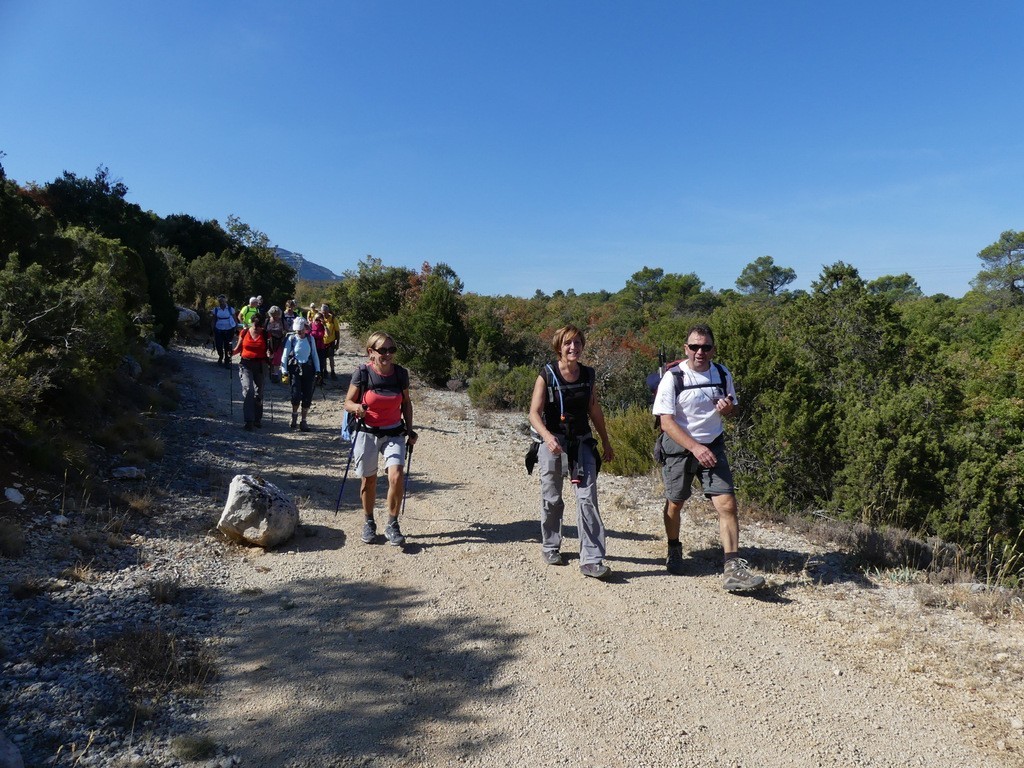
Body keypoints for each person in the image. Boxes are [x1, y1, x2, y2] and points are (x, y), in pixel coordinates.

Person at [652, 323, 764, 591]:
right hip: (679, 447)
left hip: (713, 445)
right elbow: (666, 422)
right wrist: (694, 447)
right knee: (675, 503)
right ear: (686, 348)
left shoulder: (722, 373)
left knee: (727, 505)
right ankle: (674, 548)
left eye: (705, 347)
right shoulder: (673, 377)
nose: (699, 352)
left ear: (713, 349)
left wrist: (728, 410)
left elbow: (733, 409)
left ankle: (733, 567)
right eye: (694, 346)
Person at [528, 325, 614, 579]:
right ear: (559, 346)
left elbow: (594, 409)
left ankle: (591, 559)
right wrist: (547, 437)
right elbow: (534, 412)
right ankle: (551, 545)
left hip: (582, 443)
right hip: (553, 443)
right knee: (552, 498)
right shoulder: (548, 374)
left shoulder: (588, 375)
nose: (573, 347)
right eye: (567, 343)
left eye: (577, 342)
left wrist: (606, 442)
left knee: (587, 498)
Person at [343, 332, 417, 547]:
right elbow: (347, 402)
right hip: (366, 432)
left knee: (396, 475)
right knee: (369, 480)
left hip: (394, 432)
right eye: (382, 350)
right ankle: (369, 521)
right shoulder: (363, 373)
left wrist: (410, 430)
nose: (387, 354)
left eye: (391, 350)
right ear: (371, 352)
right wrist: (357, 408)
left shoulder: (401, 374)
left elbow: (406, 404)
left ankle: (392, 524)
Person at [231, 313, 271, 430]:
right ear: (252, 322)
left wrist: (270, 354)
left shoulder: (265, 334)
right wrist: (231, 352)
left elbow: (270, 350)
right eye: (255, 325)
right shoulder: (244, 332)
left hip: (261, 365)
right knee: (248, 390)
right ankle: (249, 420)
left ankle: (257, 418)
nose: (257, 327)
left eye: (259, 325)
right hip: (246, 363)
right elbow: (238, 348)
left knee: (259, 392)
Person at [280, 317, 320, 431]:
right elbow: (285, 355)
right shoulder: (291, 339)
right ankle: (294, 417)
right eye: (298, 330)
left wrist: (318, 371)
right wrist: (284, 372)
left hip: (308, 369)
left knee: (307, 395)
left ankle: (303, 421)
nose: (299, 332)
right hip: (295, 369)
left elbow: (314, 355)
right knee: (296, 394)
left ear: (305, 328)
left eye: (301, 330)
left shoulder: (310, 339)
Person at [209, 294, 236, 367]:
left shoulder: (231, 309)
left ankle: (227, 359)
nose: (221, 303)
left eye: (223, 301)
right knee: (219, 345)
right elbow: (213, 320)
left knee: (227, 346)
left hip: (229, 329)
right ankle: (220, 356)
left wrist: (236, 328)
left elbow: (234, 319)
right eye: (220, 301)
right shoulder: (216, 310)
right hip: (218, 329)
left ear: (225, 301)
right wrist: (212, 329)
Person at [319, 303, 341, 380]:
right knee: (324, 358)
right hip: (322, 342)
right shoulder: (320, 318)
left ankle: (332, 372)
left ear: (328, 311)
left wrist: (337, 343)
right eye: (323, 312)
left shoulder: (333, 319)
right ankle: (325, 371)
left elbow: (337, 332)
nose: (324, 314)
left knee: (331, 357)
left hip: (331, 341)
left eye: (325, 312)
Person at [266, 306, 286, 383]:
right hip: (269, 342)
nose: (276, 316)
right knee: (269, 357)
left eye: (277, 314)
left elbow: (288, 329)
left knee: (277, 358)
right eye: (274, 314)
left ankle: (275, 374)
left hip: (279, 341)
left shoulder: (282, 321)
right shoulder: (267, 321)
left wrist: (285, 333)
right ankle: (269, 371)